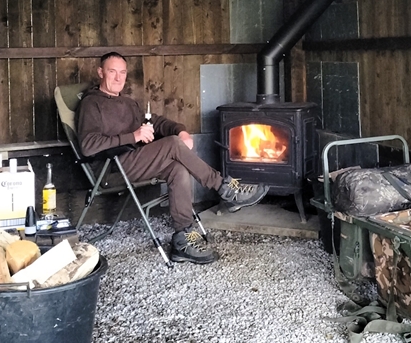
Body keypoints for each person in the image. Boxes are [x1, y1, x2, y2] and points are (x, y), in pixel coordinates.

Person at [77, 52, 269, 264]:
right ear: (100, 72)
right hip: (111, 169)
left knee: (177, 169)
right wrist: (134, 136)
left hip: (135, 162)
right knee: (171, 145)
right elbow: (88, 146)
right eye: (112, 71)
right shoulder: (91, 104)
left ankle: (183, 239)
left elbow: (156, 122)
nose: (118, 78)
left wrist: (181, 131)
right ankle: (224, 187)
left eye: (122, 72)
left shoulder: (128, 103)